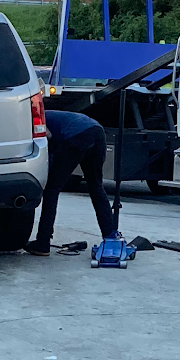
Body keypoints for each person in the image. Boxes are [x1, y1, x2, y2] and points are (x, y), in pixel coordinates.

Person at [25, 108, 118, 255]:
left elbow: (47, 136)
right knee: (96, 187)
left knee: (51, 189)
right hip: (97, 131)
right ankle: (111, 238)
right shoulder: (53, 115)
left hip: (76, 135)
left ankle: (42, 242)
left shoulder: (33, 118)